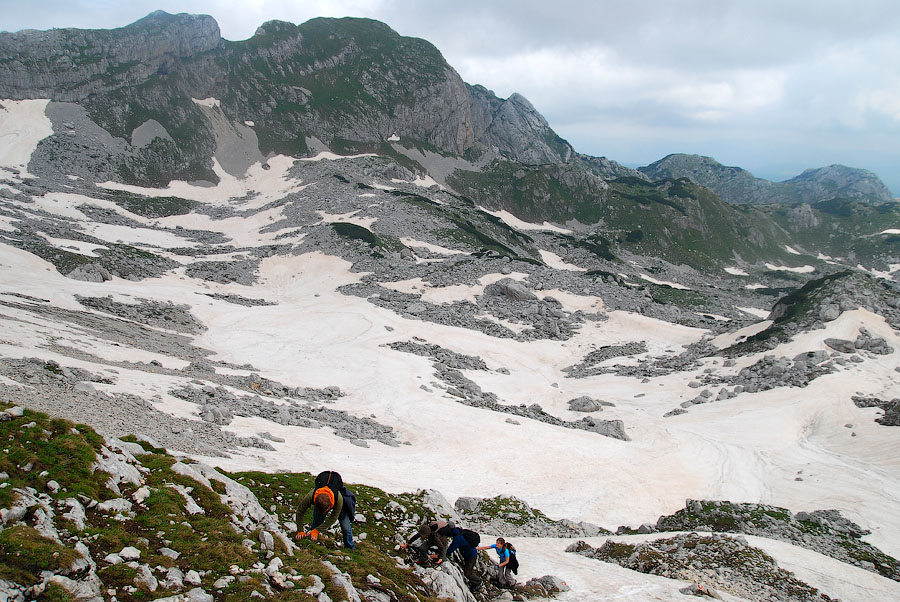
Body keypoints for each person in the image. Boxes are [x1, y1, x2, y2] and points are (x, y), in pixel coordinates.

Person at [295, 470, 355, 550]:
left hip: (338, 501)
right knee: (317, 521)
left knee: (346, 527)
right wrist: (300, 530)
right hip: (323, 501)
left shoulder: (339, 499)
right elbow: (300, 511)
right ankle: (313, 541)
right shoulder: (311, 496)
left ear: (330, 506)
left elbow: (333, 518)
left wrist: (317, 530)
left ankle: (350, 547)